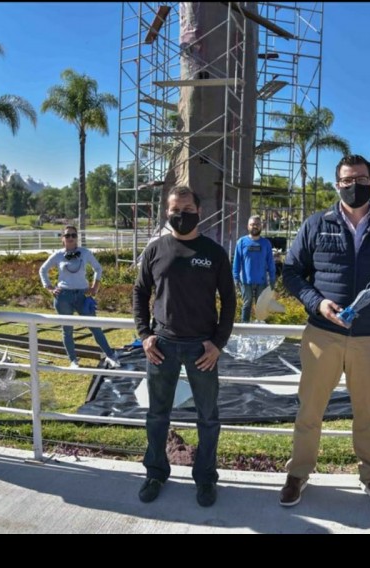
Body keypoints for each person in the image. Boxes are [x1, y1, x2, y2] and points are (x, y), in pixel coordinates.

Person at [280, 154, 370, 511]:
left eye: (360, 179)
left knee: (367, 412)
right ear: (337, 184)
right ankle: (298, 473)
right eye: (346, 180)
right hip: (322, 335)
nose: (353, 185)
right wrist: (317, 303)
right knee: (310, 410)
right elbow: (292, 272)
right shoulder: (317, 224)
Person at [133, 185, 236, 507]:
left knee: (208, 418)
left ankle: (205, 478)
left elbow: (230, 300)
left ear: (199, 211)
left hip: (201, 350)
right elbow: (140, 292)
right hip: (161, 346)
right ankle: (155, 473)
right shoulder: (156, 249)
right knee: (157, 416)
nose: (181, 215)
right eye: (175, 210)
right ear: (167, 212)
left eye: (187, 210)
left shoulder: (213, 252)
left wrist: (217, 343)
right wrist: (144, 334)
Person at [39, 225, 120, 370]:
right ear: (62, 238)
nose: (70, 238)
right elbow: (43, 270)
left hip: (82, 295)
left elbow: (98, 268)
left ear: (77, 238)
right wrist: (50, 287)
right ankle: (73, 361)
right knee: (67, 330)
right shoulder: (58, 255)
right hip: (63, 297)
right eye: (67, 235)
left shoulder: (85, 252)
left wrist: (95, 287)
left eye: (73, 235)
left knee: (95, 327)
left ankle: (110, 355)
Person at [233, 215, 276, 322]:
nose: (255, 226)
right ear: (248, 226)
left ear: (261, 226)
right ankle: (245, 326)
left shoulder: (266, 243)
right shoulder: (241, 242)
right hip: (245, 281)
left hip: (261, 281)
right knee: (247, 304)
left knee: (261, 306)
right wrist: (236, 277)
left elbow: (271, 262)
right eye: (252, 224)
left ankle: (260, 327)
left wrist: (272, 278)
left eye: (257, 224)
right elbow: (236, 262)